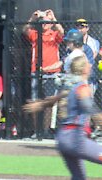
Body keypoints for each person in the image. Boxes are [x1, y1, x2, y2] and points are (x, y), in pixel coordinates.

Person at [54, 56, 102, 180]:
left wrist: (41, 104)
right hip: (75, 138)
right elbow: (87, 105)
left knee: (78, 177)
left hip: (62, 138)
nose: (91, 66)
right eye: (88, 64)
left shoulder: (70, 86)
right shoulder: (82, 87)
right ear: (83, 70)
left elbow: (55, 99)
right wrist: (100, 117)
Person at [23, 9, 64, 139]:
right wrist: (32, 18)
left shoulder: (55, 34)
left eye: (47, 22)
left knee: (48, 102)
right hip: (36, 71)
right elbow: (24, 30)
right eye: (43, 22)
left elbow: (62, 32)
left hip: (52, 73)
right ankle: (37, 131)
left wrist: (53, 18)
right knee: (35, 101)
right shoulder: (35, 34)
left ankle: (45, 130)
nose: (45, 24)